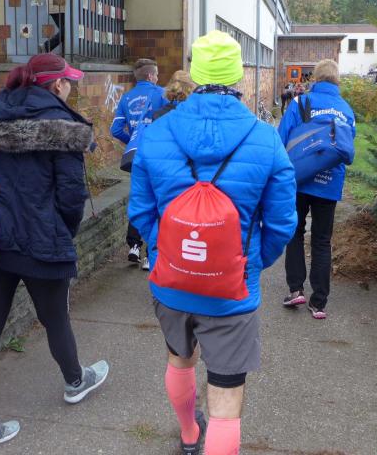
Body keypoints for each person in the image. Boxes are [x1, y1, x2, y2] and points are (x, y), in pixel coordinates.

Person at [129, 30, 297, 455]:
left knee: (179, 359)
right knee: (225, 398)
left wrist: (167, 251)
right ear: (238, 74)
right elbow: (282, 224)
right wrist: (249, 261)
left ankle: (189, 435)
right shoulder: (265, 138)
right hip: (231, 291)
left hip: (172, 283)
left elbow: (141, 212)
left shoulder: (156, 134)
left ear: (195, 72)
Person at [0, 53, 109, 455]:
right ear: (57, 85)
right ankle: (75, 381)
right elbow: (72, 196)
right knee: (55, 319)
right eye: (68, 81)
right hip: (42, 243)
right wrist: (61, 233)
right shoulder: (64, 129)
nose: (71, 87)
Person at [277, 59, 356, 319]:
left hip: (299, 179)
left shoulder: (301, 103)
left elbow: (281, 139)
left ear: (316, 79)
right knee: (322, 240)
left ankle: (295, 289)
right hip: (329, 182)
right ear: (337, 80)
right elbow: (347, 147)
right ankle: (319, 302)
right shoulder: (346, 110)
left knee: (295, 233)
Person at [110, 58, 169, 269]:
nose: (158, 78)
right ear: (151, 76)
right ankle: (149, 255)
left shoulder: (126, 97)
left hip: (136, 156)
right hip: (159, 154)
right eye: (157, 74)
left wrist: (132, 141)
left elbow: (115, 130)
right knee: (158, 201)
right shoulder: (163, 94)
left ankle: (134, 245)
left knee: (139, 199)